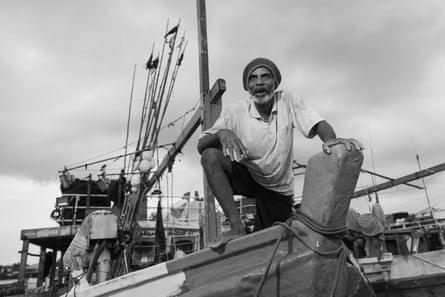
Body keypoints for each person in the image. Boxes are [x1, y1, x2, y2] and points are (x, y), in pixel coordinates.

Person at [198, 57, 363, 248]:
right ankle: (237, 227)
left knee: (276, 244)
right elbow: (201, 144)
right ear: (247, 87)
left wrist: (330, 140)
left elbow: (318, 123)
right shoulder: (235, 112)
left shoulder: (288, 100)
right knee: (210, 156)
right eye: (253, 78)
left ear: (275, 83)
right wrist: (221, 133)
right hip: (249, 176)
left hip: (277, 188)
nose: (259, 82)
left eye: (265, 76)